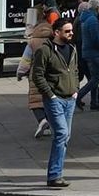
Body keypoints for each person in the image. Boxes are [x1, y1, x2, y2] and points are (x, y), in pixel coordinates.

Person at [31, 16, 80, 187]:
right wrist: (50, 95)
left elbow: (74, 70)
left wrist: (76, 89)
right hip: (55, 99)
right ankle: (54, 176)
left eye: (71, 30)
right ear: (56, 32)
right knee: (61, 134)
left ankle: (56, 174)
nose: (71, 34)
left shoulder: (72, 48)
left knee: (65, 136)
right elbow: (37, 74)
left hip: (70, 99)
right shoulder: (45, 50)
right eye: (67, 31)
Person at [20, 0, 58, 139]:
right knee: (49, 97)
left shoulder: (33, 41)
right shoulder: (52, 38)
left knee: (35, 100)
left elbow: (26, 59)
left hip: (36, 73)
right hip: (51, 72)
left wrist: (20, 72)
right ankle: (48, 125)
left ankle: (42, 120)